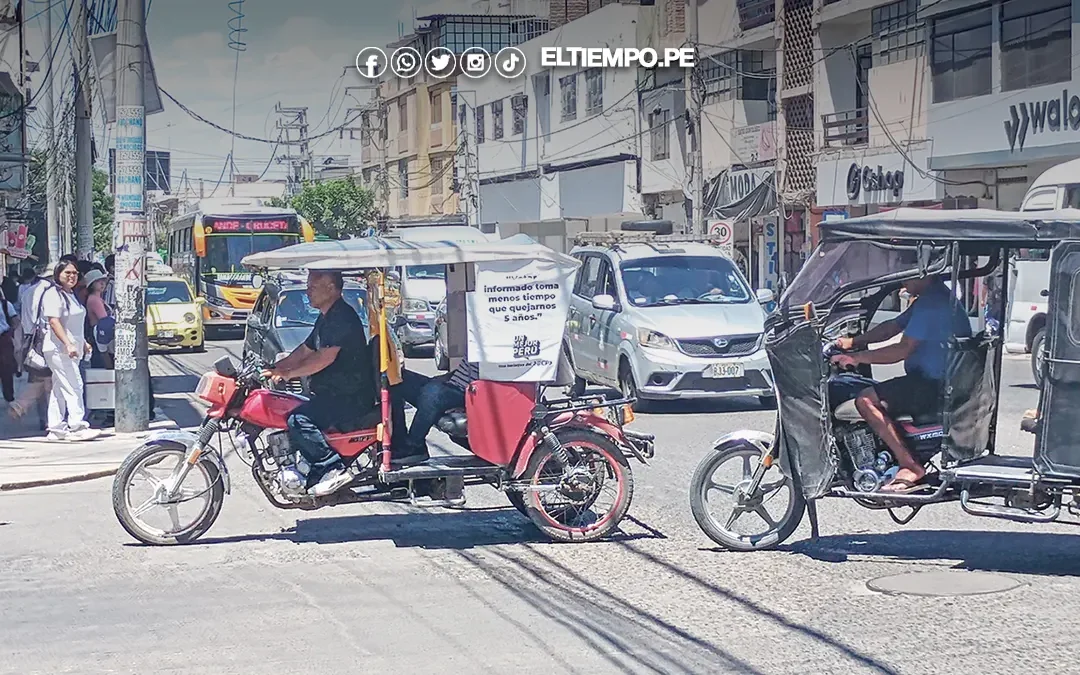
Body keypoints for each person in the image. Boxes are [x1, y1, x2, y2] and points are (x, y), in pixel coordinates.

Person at [831, 274, 972, 493]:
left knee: (866, 400)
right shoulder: (931, 298)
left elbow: (902, 349)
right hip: (937, 381)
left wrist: (857, 357)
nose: (902, 281)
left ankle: (910, 465)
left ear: (926, 274)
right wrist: (855, 342)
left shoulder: (932, 304)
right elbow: (892, 327)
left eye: (908, 274)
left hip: (932, 385)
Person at [262, 271, 378, 496]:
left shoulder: (342, 318)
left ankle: (331, 466)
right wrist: (274, 368)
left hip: (348, 397)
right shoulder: (326, 317)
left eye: (313, 287)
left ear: (332, 288)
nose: (308, 292)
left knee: (299, 419)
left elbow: (324, 358)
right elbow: (305, 350)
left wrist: (290, 374)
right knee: (291, 408)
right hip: (333, 394)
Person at [41, 261, 99, 441]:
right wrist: (68, 343)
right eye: (67, 273)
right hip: (59, 350)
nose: (72, 276)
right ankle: (77, 426)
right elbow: (54, 322)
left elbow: (74, 324)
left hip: (71, 348)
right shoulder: (53, 294)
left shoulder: (70, 294)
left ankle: (56, 428)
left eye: (74, 273)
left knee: (60, 387)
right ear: (58, 274)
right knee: (75, 385)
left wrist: (82, 343)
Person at [390, 359, 480, 465]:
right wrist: (444, 378)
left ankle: (414, 446)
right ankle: (399, 443)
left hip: (471, 393)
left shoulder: (495, 348)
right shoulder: (475, 343)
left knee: (433, 392)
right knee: (398, 378)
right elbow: (467, 370)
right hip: (452, 385)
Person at [10, 268, 51, 429]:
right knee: (47, 382)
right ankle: (22, 404)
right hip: (43, 340)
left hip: (30, 341)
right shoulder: (48, 294)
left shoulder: (29, 292)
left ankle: (43, 417)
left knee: (39, 378)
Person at [82, 269, 113, 368]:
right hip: (99, 335)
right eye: (98, 281)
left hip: (100, 335)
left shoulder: (98, 298)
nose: (102, 283)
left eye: (103, 281)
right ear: (92, 284)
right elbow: (104, 320)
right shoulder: (94, 299)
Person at [0, 278, 18, 403]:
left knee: (6, 369)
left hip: (3, 338)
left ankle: (9, 396)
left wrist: (12, 333)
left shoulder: (6, 305)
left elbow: (15, 320)